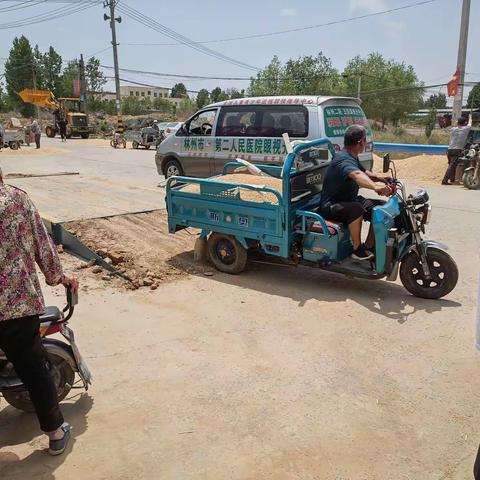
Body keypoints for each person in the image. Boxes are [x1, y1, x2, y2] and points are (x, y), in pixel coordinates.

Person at [0, 166, 78, 456]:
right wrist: (58, 277)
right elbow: (42, 245)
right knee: (34, 369)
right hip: (16, 305)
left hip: (15, 307)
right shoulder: (16, 200)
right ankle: (56, 433)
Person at [320, 125, 391, 261]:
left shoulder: (351, 156)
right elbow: (357, 175)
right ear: (360, 142)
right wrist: (375, 187)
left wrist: (382, 179)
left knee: (380, 208)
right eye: (365, 140)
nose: (366, 143)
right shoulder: (343, 159)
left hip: (348, 200)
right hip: (332, 206)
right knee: (357, 209)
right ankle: (357, 250)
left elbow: (364, 172)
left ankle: (369, 246)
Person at [442, 115, 471, 185]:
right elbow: (470, 123)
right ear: (465, 123)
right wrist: (470, 117)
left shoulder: (453, 129)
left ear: (458, 123)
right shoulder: (466, 128)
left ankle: (452, 179)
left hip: (449, 149)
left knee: (452, 165)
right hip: (457, 150)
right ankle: (444, 180)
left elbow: (448, 127)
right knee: (452, 166)